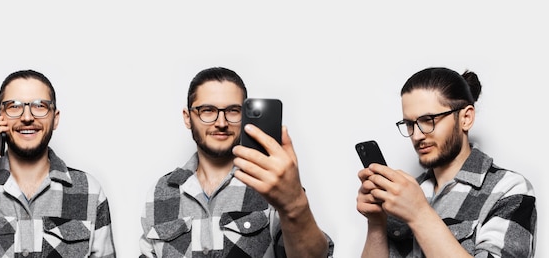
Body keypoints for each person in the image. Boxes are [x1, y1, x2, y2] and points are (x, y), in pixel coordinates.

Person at [139, 67, 334, 258]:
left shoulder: (270, 181)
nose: (222, 122)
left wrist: (295, 204)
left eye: (233, 111)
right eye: (207, 110)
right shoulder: (161, 192)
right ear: (188, 117)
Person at [356, 67, 537, 257]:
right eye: (410, 124)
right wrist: (376, 223)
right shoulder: (406, 193)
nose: (417, 135)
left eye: (428, 120)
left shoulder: (508, 189)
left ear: (466, 118)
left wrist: (419, 214)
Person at [0, 70, 116, 257]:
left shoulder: (89, 190)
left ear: (55, 118)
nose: (27, 117)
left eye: (40, 106)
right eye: (14, 106)